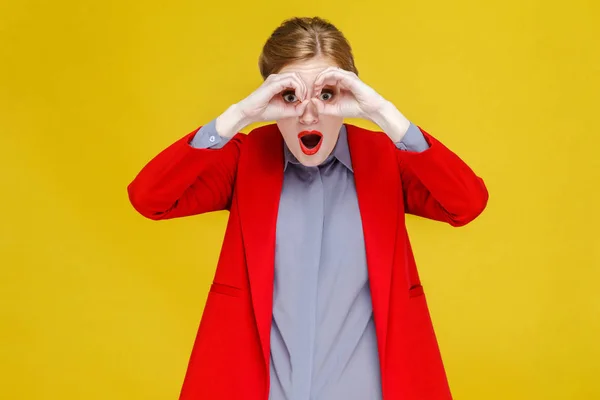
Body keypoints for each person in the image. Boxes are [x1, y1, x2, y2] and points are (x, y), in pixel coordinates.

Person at [127, 16, 488, 400]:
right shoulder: (244, 160)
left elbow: (466, 204)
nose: (309, 114)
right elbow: (150, 198)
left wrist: (383, 113)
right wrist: (238, 117)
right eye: (290, 96)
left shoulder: (387, 160)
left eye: (328, 94)